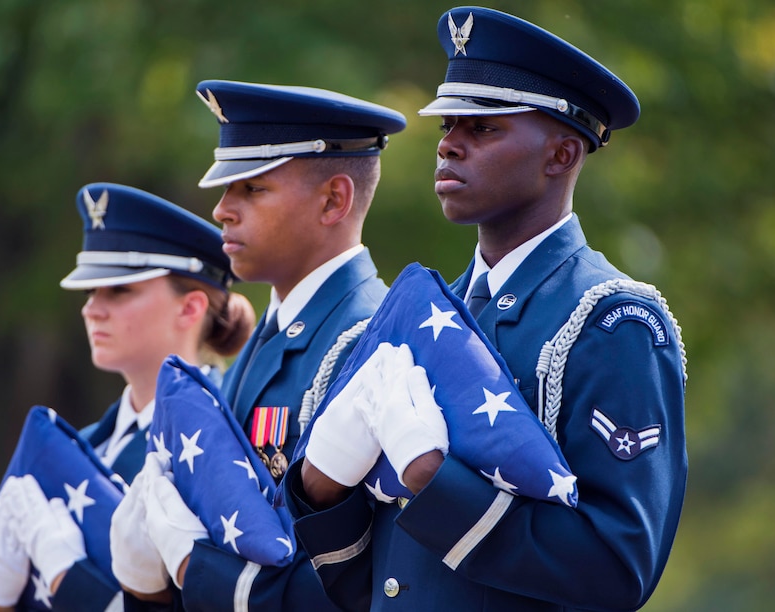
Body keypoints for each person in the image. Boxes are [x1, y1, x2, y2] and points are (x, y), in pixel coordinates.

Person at [287, 7, 688, 611]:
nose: (449, 145)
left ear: (561, 154)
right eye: (450, 125)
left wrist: (431, 479)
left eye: (484, 129)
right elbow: (372, 585)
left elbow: (617, 569)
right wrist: (319, 492)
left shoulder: (612, 324)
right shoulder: (412, 321)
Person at [112, 80, 406, 611]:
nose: (223, 209)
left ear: (334, 199)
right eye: (228, 189)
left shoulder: (371, 342)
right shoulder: (269, 337)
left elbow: (367, 585)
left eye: (252, 188)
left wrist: (190, 566)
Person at [0, 183, 254, 611]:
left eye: (119, 290)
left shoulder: (228, 440)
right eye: (90, 291)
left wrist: (71, 578)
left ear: (190, 308)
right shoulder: (87, 443)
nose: (91, 309)